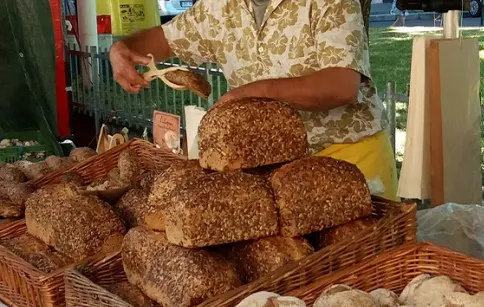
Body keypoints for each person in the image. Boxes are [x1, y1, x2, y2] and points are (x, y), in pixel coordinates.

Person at [109, 0, 398, 200]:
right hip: (271, 168)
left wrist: (252, 92)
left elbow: (341, 85)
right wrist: (121, 50)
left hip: (348, 157)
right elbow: (163, 39)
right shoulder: (219, 7)